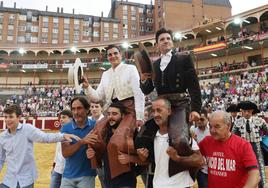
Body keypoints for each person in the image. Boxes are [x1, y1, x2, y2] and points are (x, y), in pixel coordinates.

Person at [140, 27, 202, 176]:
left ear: (172, 43)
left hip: (180, 105)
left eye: (168, 38)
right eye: (162, 39)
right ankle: (152, 170)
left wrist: (195, 109)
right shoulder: (154, 65)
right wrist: (143, 79)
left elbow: (194, 86)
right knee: (143, 135)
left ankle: (184, 169)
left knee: (180, 139)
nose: (166, 41)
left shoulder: (184, 58)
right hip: (161, 106)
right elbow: (147, 89)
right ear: (157, 45)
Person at [83, 44, 145, 179]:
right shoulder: (105, 74)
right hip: (112, 110)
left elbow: (138, 92)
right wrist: (87, 87)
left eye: (115, 53)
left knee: (116, 140)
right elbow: (97, 97)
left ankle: (124, 173)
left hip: (129, 110)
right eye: (109, 54)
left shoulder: (130, 68)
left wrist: (139, 116)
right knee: (94, 136)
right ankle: (100, 168)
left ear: (121, 55)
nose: (113, 56)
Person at [0, 104, 79, 188]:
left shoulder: (27, 129)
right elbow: (0, 159)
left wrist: (62, 136)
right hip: (9, 180)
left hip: (26, 180)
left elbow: (45, 137)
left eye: (11, 117)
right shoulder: (3, 136)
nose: (7, 120)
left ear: (19, 117)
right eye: (5, 117)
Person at [136, 98, 204, 188]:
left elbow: (200, 161)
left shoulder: (183, 136)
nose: (155, 114)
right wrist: (143, 157)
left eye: (159, 110)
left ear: (169, 111)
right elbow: (148, 161)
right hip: (157, 185)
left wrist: (178, 159)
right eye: (153, 111)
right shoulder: (148, 137)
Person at [86, 102, 144, 188]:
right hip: (108, 182)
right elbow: (102, 156)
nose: (110, 117)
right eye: (108, 114)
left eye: (114, 114)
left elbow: (145, 161)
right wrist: (92, 153)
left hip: (126, 183)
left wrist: (131, 159)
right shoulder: (104, 134)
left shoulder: (132, 134)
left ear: (123, 116)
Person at [199, 110, 260, 188]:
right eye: (210, 126)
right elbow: (193, 154)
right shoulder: (206, 142)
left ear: (228, 126)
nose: (212, 130)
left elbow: (255, 175)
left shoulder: (243, 145)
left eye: (217, 126)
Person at [60, 96, 97, 188]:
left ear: (87, 109)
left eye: (79, 108)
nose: (76, 112)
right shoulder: (65, 128)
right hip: (68, 176)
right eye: (73, 109)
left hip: (87, 176)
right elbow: (65, 153)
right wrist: (82, 142)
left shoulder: (95, 126)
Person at [232, 101, 268, 188]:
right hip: (243, 148)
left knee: (260, 165)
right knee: (244, 166)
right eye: (244, 111)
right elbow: (232, 137)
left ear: (252, 111)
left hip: (257, 146)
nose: (246, 113)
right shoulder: (237, 122)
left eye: (248, 111)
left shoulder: (259, 121)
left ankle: (262, 185)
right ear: (242, 111)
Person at [50, 109, 73, 188]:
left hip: (69, 170)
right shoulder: (60, 132)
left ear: (70, 119)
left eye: (64, 117)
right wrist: (54, 165)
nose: (61, 119)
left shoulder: (75, 132)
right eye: (60, 118)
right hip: (57, 168)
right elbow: (58, 151)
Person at [88, 101, 105, 188]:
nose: (94, 109)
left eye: (96, 106)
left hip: (101, 158)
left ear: (101, 108)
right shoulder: (87, 121)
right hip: (87, 157)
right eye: (92, 107)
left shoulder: (106, 121)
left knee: (103, 180)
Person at [194, 113, 210, 188]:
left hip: (212, 167)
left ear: (207, 119)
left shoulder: (212, 131)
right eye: (197, 120)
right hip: (200, 168)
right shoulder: (192, 131)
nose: (199, 121)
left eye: (202, 119)